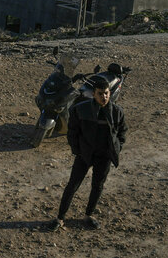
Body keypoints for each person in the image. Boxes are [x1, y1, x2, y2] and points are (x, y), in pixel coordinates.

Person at [50, 76, 126, 230]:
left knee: (97, 186)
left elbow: (122, 133)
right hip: (85, 154)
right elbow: (72, 132)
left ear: (109, 93)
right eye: (100, 93)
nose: (103, 97)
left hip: (104, 156)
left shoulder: (117, 112)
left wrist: (116, 148)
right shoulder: (81, 109)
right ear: (93, 94)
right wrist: (77, 150)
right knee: (72, 185)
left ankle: (88, 215)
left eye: (106, 93)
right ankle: (60, 218)